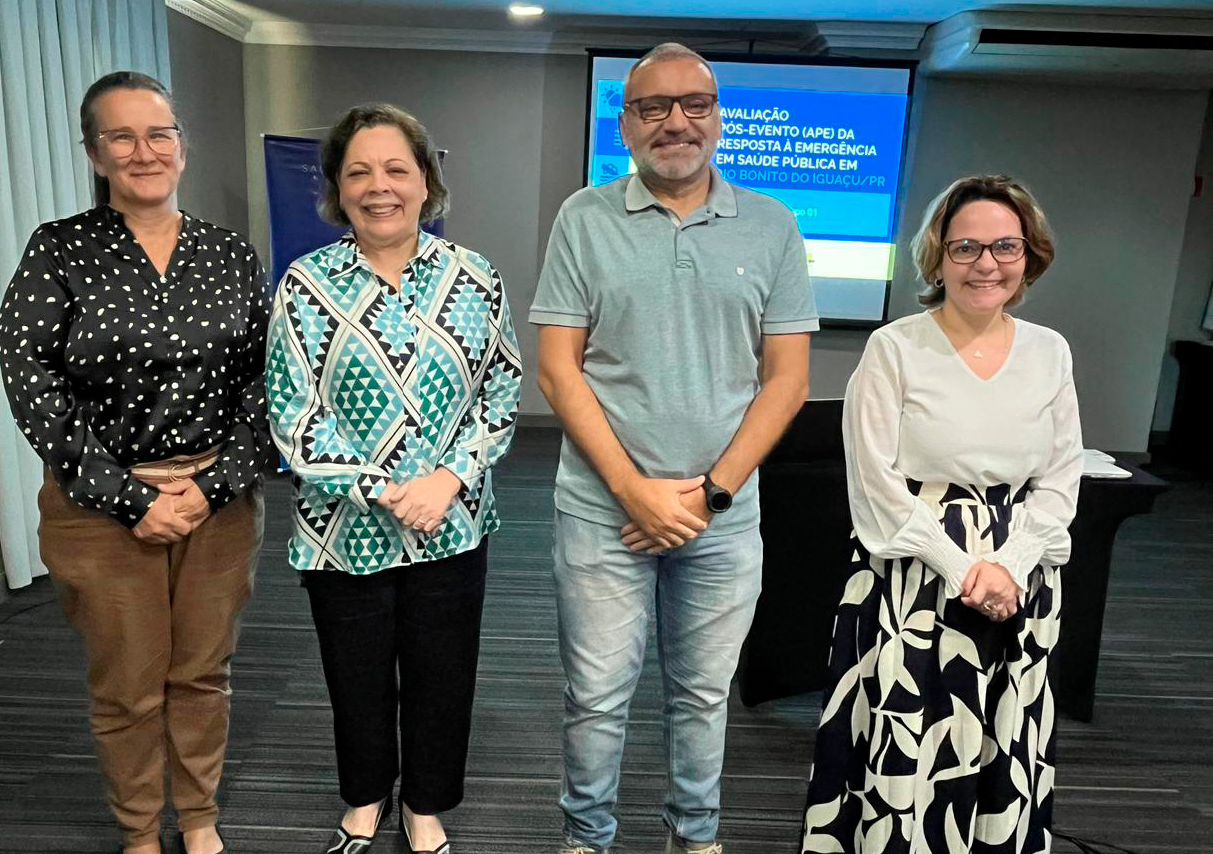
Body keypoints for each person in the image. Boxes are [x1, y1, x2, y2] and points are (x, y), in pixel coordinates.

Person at [532, 43, 817, 854]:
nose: (675, 122)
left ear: (718, 118)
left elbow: (787, 381)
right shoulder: (583, 218)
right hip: (603, 513)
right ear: (626, 124)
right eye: (652, 107)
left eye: (695, 104)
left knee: (702, 697)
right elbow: (558, 370)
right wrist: (635, 492)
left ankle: (694, 836)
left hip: (721, 517)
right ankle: (587, 839)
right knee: (596, 697)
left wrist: (710, 493)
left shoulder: (772, 224)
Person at [0, 71, 272, 854]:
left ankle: (199, 817)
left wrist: (209, 488)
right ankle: (139, 830)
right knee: (127, 684)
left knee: (203, 673)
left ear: (182, 146)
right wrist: (133, 500)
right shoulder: (59, 249)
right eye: (121, 136)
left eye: (158, 134)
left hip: (217, 505)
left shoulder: (230, 253)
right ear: (95, 153)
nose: (143, 151)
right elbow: (31, 381)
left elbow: (268, 383)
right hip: (99, 511)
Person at [265, 103, 522, 854]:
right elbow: (293, 413)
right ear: (336, 190)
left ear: (426, 183)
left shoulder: (475, 277)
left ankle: (426, 805)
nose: (379, 187)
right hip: (344, 529)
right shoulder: (306, 285)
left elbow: (502, 389)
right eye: (359, 173)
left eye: (396, 169)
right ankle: (365, 797)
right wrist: (383, 487)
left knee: (444, 674)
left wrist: (448, 478)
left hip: (452, 519)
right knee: (356, 676)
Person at [799, 174, 1082, 853]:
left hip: (1018, 580)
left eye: (1005, 246)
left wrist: (1009, 566)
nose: (987, 263)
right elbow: (874, 483)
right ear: (937, 257)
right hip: (912, 580)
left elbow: (1061, 473)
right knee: (906, 741)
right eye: (966, 247)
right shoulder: (894, 347)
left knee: (999, 740)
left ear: (1028, 255)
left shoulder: (1050, 351)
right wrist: (962, 570)